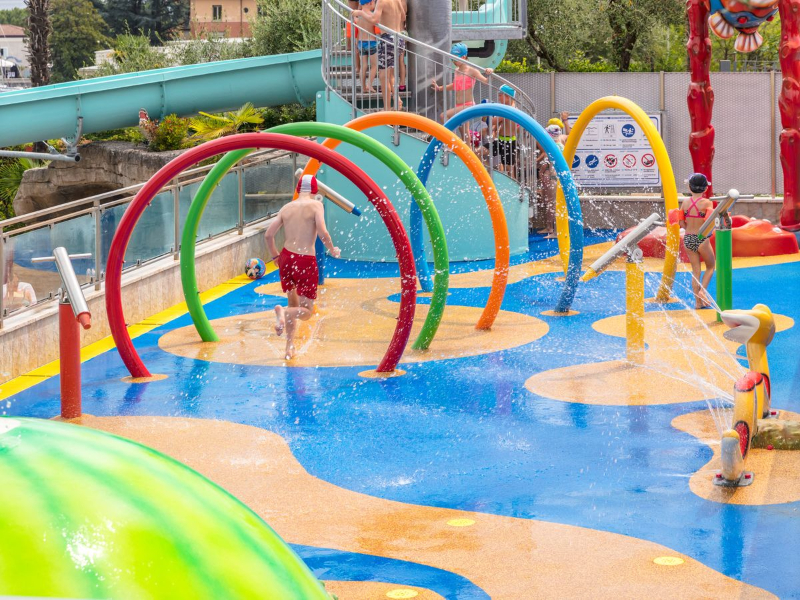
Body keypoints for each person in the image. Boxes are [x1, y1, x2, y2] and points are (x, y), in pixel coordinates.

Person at [265, 175, 341, 360]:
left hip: (286, 258)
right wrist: (332, 249)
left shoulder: (286, 208)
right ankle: (282, 312)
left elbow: (268, 235)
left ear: (298, 189)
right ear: (315, 191)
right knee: (306, 312)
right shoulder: (316, 205)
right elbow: (322, 232)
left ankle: (289, 348)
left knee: (293, 305)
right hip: (305, 260)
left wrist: (276, 255)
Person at [352, 0, 407, 109]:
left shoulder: (381, 1)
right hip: (399, 38)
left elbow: (374, 19)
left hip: (387, 39)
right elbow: (403, 18)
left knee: (383, 76)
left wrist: (361, 13)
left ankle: (387, 109)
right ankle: (397, 100)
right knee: (389, 74)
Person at [678, 173, 716, 309]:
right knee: (711, 266)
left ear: (689, 187)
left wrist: (689, 228)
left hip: (688, 238)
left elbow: (680, 222)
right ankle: (702, 292)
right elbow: (710, 223)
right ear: (706, 189)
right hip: (701, 238)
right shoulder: (707, 203)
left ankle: (697, 303)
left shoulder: (685, 202)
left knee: (696, 271)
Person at [431, 43, 493, 123]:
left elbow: (485, 81)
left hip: (468, 105)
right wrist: (439, 88)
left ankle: (448, 136)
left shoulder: (472, 70)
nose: (453, 61)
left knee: (443, 115)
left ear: (463, 57)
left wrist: (490, 72)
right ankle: (454, 135)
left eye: (455, 59)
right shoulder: (457, 70)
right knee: (464, 132)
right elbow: (454, 85)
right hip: (459, 105)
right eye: (452, 59)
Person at [491, 84, 519, 178]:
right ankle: (493, 174)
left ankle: (514, 190)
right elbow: (496, 124)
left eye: (500, 95)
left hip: (509, 142)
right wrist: (494, 130)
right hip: (500, 140)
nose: (498, 98)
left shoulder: (509, 109)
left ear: (507, 96)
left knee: (509, 170)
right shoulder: (509, 107)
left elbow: (493, 121)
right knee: (480, 152)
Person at [354, 0, 379, 93]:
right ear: (369, 3)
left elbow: (356, 28)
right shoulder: (372, 16)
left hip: (361, 43)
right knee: (374, 65)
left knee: (363, 66)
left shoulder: (358, 17)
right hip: (371, 42)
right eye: (373, 3)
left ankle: (363, 87)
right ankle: (370, 85)